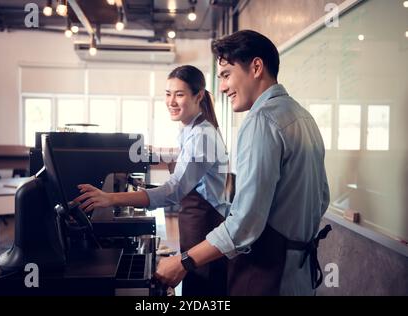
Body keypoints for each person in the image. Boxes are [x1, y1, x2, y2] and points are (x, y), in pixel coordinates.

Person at [155, 30, 331, 296]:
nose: (223, 87)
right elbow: (322, 200)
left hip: (268, 275)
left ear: (256, 67)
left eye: (226, 75)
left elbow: (244, 225)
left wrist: (183, 261)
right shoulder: (303, 117)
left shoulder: (261, 120)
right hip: (299, 277)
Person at [75, 65, 229, 296]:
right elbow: (181, 160)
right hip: (197, 223)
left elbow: (173, 190)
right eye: (168, 94)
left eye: (179, 94)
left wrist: (110, 198)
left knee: (202, 291)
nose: (171, 101)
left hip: (206, 224)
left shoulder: (203, 136)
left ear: (198, 96)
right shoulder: (191, 128)